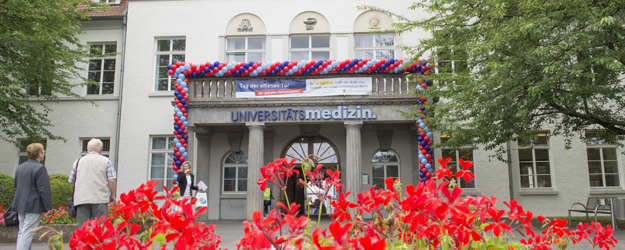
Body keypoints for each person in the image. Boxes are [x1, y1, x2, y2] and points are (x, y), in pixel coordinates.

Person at [13, 143, 53, 250]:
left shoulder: (20, 167)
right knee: (28, 232)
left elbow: (16, 184)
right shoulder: (40, 169)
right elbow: (44, 190)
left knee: (22, 231)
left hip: (20, 203)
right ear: (39, 154)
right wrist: (49, 207)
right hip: (34, 204)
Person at [69, 138, 116, 228]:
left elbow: (71, 181)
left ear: (88, 149)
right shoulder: (106, 161)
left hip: (81, 198)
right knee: (100, 228)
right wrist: (112, 195)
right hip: (100, 198)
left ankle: (85, 242)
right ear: (100, 149)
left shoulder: (77, 162)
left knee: (83, 229)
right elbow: (111, 180)